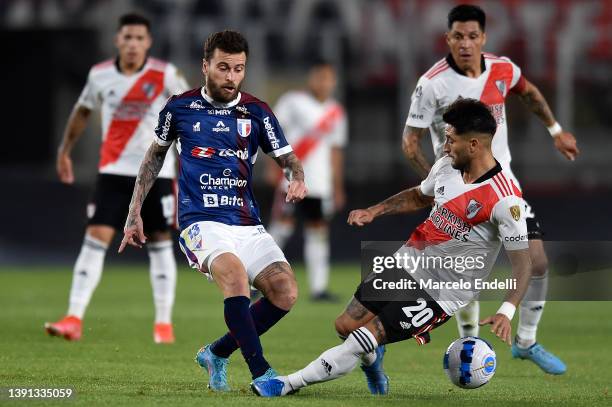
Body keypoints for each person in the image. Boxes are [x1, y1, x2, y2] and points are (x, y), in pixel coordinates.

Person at [251, 98, 533, 397]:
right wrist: (374, 211)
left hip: (441, 292)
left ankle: (287, 384)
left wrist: (506, 311)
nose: (445, 146)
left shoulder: (506, 200)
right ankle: (373, 365)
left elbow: (524, 265)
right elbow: (420, 196)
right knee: (345, 325)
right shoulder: (447, 167)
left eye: (451, 140)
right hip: (407, 263)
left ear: (474, 145)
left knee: (361, 338)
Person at [119, 30, 307, 391]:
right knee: (235, 279)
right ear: (206, 66)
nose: (231, 77)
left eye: (238, 69)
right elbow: (154, 157)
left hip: (246, 222)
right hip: (200, 222)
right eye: (223, 67)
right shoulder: (180, 107)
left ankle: (217, 353)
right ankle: (263, 374)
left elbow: (289, 159)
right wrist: (134, 212)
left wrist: (296, 177)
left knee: (285, 292)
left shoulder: (257, 112)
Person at [402, 4, 579, 375]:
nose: (465, 44)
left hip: (504, 186)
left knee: (538, 262)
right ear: (447, 39)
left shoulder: (503, 68)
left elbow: (529, 94)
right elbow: (410, 141)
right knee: (464, 269)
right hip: (459, 190)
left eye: (472, 36)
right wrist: (434, 184)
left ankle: (526, 342)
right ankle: (461, 337)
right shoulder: (432, 83)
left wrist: (556, 130)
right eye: (457, 37)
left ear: (483, 37)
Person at [45, 13, 189, 344]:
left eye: (139, 38)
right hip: (112, 171)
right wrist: (65, 150)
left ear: (148, 42)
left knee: (160, 241)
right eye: (127, 37)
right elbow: (82, 111)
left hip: (157, 173)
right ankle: (73, 317)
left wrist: (190, 163)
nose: (133, 44)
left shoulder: (165, 74)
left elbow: (188, 112)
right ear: (117, 40)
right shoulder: (100, 75)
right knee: (95, 237)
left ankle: (163, 324)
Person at [266, 60, 347, 302]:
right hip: (291, 179)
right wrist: (273, 168)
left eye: (328, 78)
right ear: (311, 78)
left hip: (320, 184)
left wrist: (337, 186)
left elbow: (335, 151)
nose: (324, 83)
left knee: (318, 232)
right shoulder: (292, 102)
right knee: (280, 228)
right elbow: (272, 135)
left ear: (333, 82)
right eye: (319, 77)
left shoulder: (336, 112)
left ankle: (319, 288)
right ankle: (258, 281)